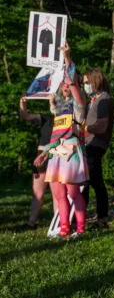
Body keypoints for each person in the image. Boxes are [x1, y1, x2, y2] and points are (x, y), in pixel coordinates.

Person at [34, 65, 88, 239]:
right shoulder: (60, 110)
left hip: (71, 152)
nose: (66, 85)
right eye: (63, 82)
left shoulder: (79, 106)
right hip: (56, 153)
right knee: (58, 194)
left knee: (73, 192)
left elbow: (74, 86)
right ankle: (64, 228)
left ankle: (80, 229)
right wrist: (44, 154)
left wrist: (67, 59)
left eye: (69, 82)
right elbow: (54, 137)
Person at [81, 68, 114, 227]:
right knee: (96, 181)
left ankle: (81, 219)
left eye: (87, 82)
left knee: (86, 181)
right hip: (90, 143)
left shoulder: (103, 99)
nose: (85, 86)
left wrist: (85, 129)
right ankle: (101, 219)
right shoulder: (94, 99)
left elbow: (102, 125)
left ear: (96, 80)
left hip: (95, 144)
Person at [19, 96, 56, 229]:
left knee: (56, 194)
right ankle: (31, 223)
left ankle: (57, 224)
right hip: (40, 156)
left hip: (55, 155)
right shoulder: (46, 118)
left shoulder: (66, 120)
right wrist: (23, 104)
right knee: (37, 193)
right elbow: (25, 117)